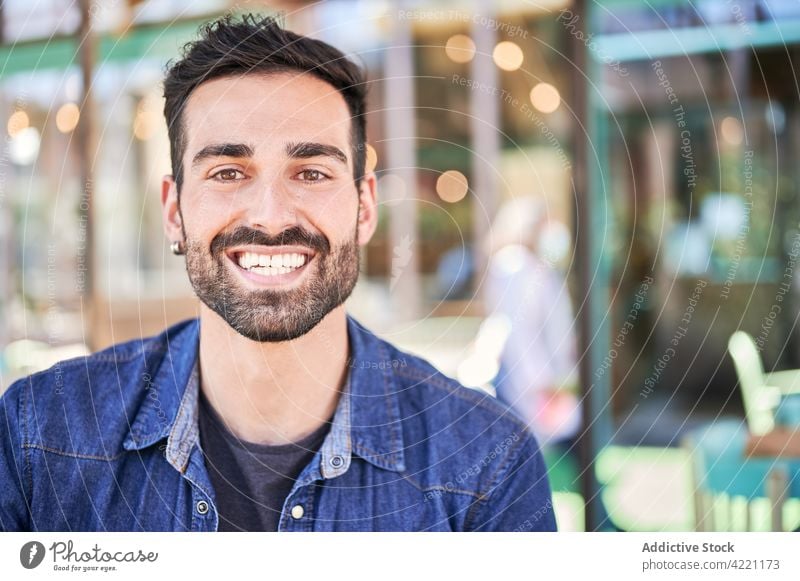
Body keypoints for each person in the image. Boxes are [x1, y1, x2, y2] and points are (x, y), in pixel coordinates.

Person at [0, 14, 555, 532]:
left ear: (364, 208)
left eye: (311, 172)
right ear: (175, 211)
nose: (270, 217)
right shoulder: (36, 438)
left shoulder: (487, 465)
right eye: (228, 171)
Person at [485, 196, 580, 449]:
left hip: (547, 379)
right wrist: (541, 382)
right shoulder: (515, 267)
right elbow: (519, 332)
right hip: (530, 384)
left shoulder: (535, 267)